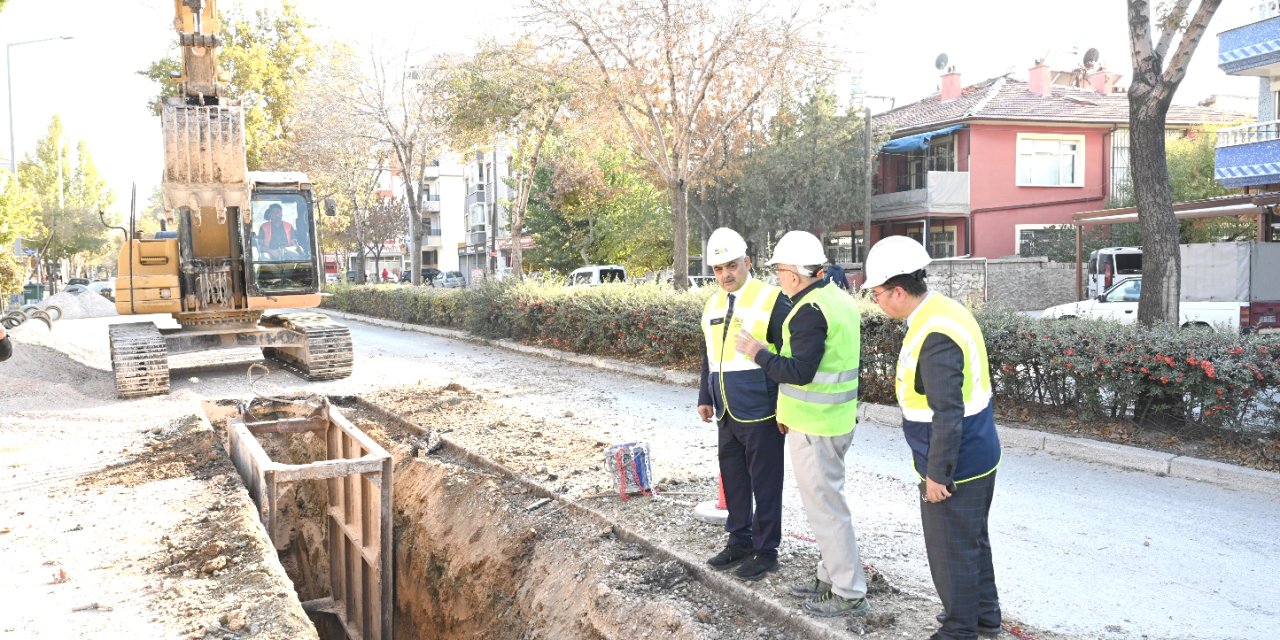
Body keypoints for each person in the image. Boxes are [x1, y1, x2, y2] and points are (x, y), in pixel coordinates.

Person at [861, 236, 1002, 640]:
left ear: (899, 291)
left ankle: (959, 630)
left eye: (877, 294)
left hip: (957, 462)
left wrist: (938, 475)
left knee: (950, 551)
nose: (877, 302)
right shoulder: (943, 311)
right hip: (978, 455)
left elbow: (947, 411)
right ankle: (985, 618)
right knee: (971, 541)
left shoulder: (935, 334)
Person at [734, 230, 870, 618]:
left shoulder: (807, 312)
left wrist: (759, 353)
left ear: (793, 274)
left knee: (826, 509)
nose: (778, 278)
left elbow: (800, 372)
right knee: (827, 504)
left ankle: (849, 592)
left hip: (818, 427)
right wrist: (785, 412)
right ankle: (829, 578)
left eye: (779, 271)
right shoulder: (836, 300)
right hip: (830, 421)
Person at [697, 228, 793, 581]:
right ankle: (739, 540)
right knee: (734, 478)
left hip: (762, 408)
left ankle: (766, 550)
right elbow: (709, 355)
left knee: (766, 483)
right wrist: (705, 396)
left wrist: (786, 406)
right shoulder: (713, 304)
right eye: (718, 269)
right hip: (725, 408)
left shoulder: (772, 299)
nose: (725, 275)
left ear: (747, 263)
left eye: (732, 266)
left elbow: (788, 357)